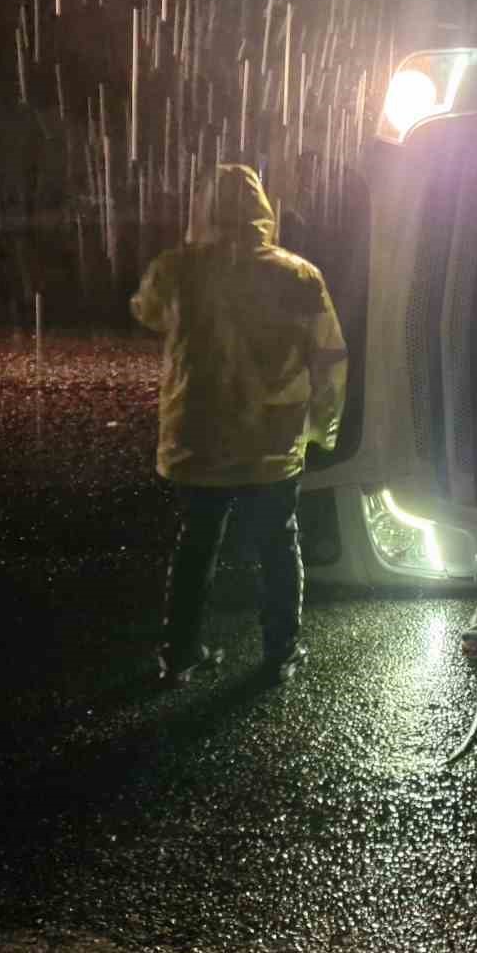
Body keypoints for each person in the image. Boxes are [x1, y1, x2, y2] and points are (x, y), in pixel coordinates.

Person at [131, 164, 348, 685]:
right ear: (262, 210)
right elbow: (329, 357)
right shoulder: (299, 275)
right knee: (277, 545)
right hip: (271, 444)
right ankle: (280, 652)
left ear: (203, 210)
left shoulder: (175, 269)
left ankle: (180, 653)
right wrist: (324, 425)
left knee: (196, 545)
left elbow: (148, 312)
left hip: (197, 441)